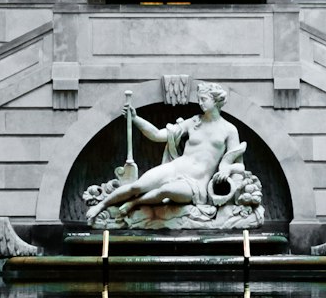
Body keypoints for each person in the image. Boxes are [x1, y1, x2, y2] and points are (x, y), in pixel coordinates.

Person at [86, 82, 244, 220]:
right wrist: (135, 118)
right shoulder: (194, 122)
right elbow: (157, 135)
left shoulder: (229, 130)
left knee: (166, 190)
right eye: (199, 99)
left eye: (204, 99)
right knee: (137, 186)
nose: (200, 103)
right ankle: (101, 205)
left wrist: (228, 169)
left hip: (196, 182)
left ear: (216, 101)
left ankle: (135, 203)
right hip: (176, 167)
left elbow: (239, 166)